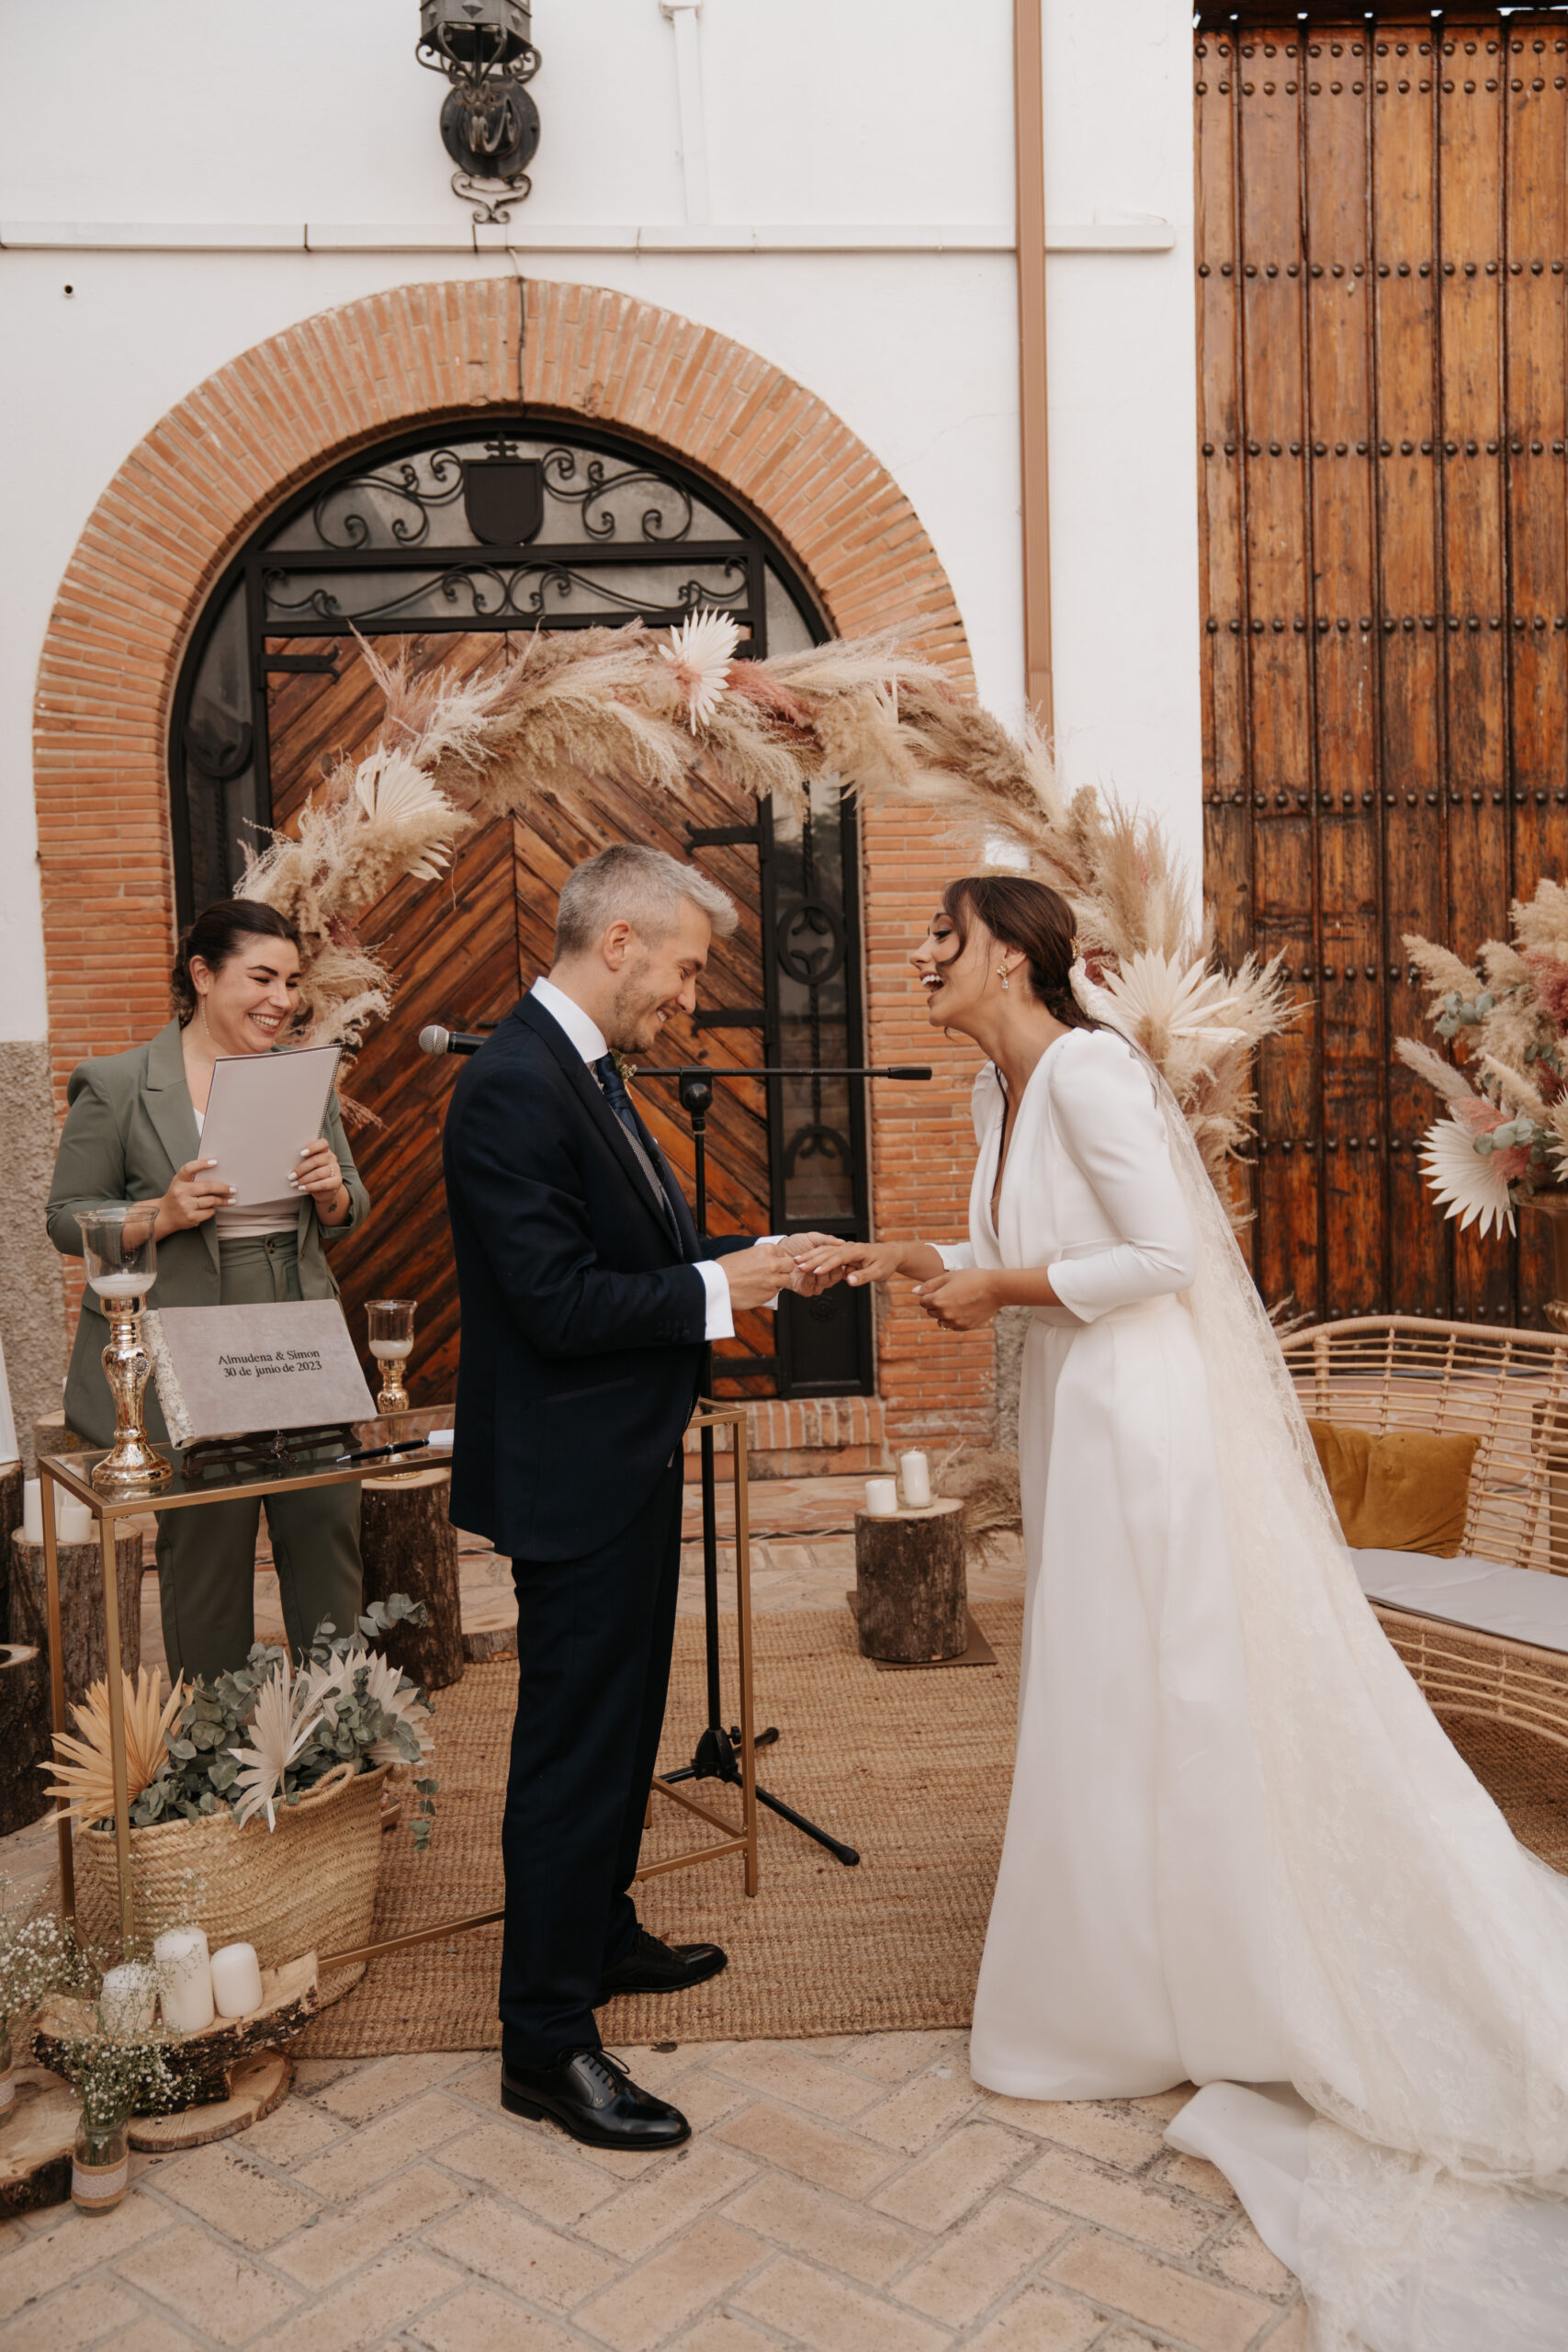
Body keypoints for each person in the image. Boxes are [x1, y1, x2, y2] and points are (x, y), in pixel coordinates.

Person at [796, 875, 1568, 2352]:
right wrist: (907, 1260)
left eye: (938, 937)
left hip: (1140, 1421)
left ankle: (1178, 1986)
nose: (914, 953)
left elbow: (1158, 1259)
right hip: (1072, 1414)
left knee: (1151, 1684)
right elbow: (1025, 1254)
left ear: (1012, 956)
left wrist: (1003, 1286)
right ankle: (1140, 1973)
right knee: (1103, 1691)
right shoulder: (991, 1091)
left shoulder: (1087, 1066)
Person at [444, 844, 829, 2154]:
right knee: (570, 1750)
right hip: (570, 1469)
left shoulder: (585, 1070)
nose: (685, 997)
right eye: (678, 966)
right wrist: (726, 1295)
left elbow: (645, 1258)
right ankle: (543, 2041)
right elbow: (553, 1303)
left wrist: (755, 1257)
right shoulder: (510, 1086)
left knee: (623, 1727)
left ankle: (596, 1932)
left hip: (621, 1454)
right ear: (615, 942)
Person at [47, 899, 369, 1683]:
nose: (282, 1000)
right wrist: (157, 1215)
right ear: (201, 974)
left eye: (292, 981)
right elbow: (65, 1217)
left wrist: (331, 1192)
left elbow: (349, 1205)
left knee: (327, 1525)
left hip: (296, 1321)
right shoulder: (120, 1083)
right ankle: (220, 1766)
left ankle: (347, 1744)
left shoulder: (302, 1077)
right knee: (207, 1548)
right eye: (261, 977)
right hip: (187, 1333)